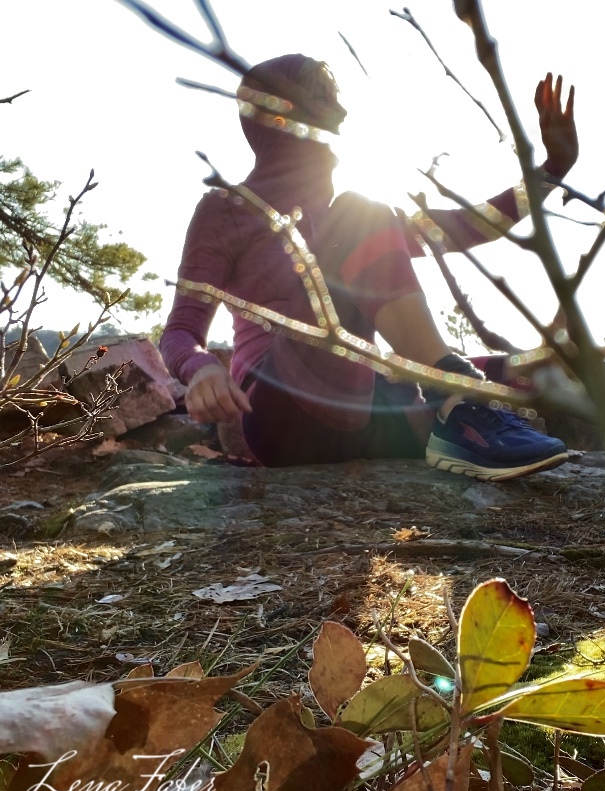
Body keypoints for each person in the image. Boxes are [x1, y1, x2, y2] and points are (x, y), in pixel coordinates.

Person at [160, 54, 579, 481]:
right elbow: (180, 331)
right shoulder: (232, 208)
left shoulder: (352, 221)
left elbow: (467, 226)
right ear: (279, 116)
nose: (340, 114)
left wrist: (550, 172)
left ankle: (493, 393)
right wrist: (203, 368)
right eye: (323, 100)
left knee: (493, 370)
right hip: (284, 412)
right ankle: (457, 396)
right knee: (361, 210)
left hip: (370, 411)